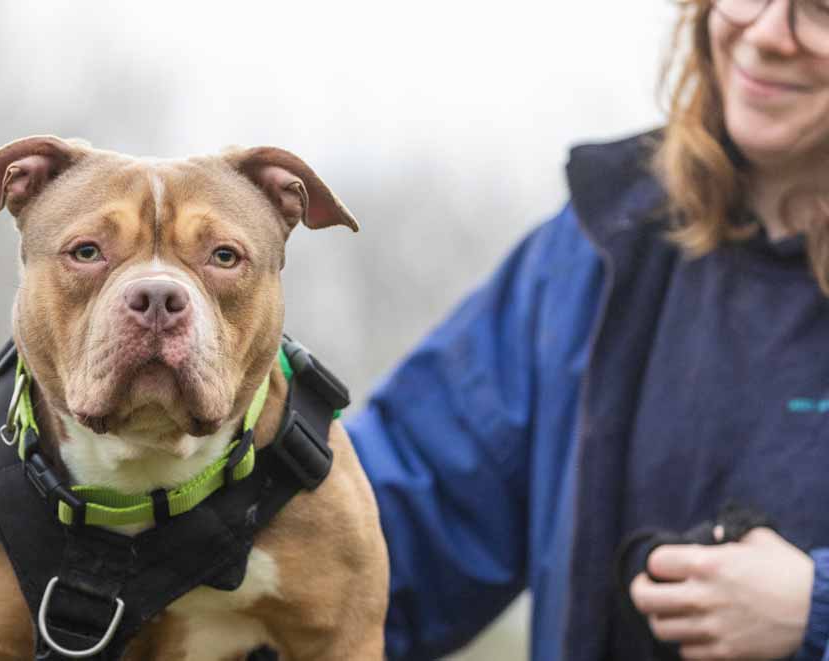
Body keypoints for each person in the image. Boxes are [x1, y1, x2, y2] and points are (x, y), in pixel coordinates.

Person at [346, 1, 829, 659]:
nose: (769, 33)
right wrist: (213, 510)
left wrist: (816, 608)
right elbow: (400, 521)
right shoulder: (603, 244)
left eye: (821, 10)